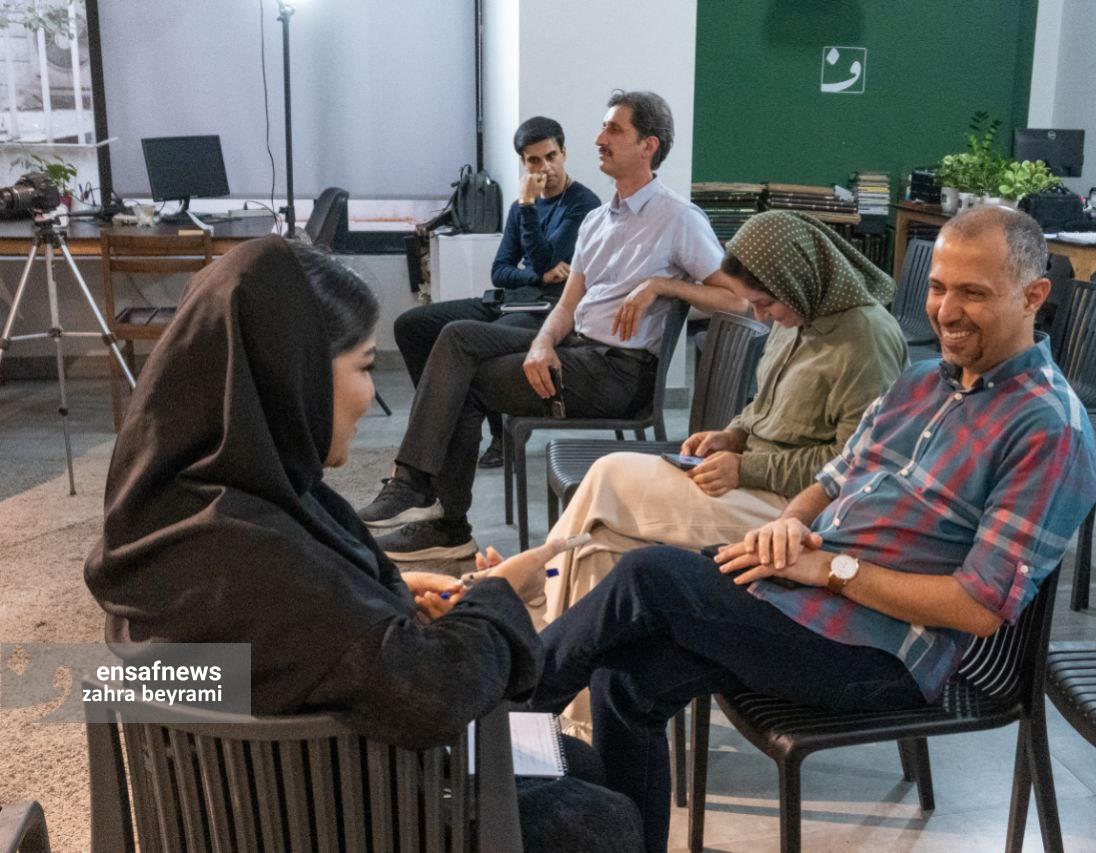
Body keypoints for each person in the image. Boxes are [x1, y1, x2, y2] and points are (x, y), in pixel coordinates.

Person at [526, 206, 1096, 852]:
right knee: (625, 680)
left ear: (1033, 296)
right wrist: (789, 524)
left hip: (882, 653)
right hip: (807, 598)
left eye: (973, 292)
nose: (947, 310)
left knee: (647, 575)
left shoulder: (1048, 428)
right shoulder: (923, 382)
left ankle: (495, 710)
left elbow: (979, 608)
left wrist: (830, 568)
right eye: (939, 287)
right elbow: (832, 478)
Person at [83, 237, 643, 852]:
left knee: (574, 764)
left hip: (234, 814)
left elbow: (295, 636)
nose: (370, 398)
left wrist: (387, 591)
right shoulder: (267, 565)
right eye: (365, 366)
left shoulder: (170, 513)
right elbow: (432, 694)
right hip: (335, 820)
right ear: (293, 376)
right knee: (605, 818)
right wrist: (501, 596)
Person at [358, 90, 748, 562]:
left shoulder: (678, 218)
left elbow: (738, 298)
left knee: (464, 383)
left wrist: (662, 285)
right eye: (603, 127)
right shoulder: (598, 220)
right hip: (577, 348)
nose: (599, 138)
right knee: (455, 336)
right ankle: (417, 489)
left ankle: (444, 519)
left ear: (648, 146)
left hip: (619, 373)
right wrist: (543, 342)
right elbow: (566, 305)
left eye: (614, 129)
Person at [540, 210, 907, 624]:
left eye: (765, 303)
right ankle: (560, 645)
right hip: (754, 482)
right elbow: (764, 406)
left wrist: (745, 468)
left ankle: (535, 611)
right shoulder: (799, 311)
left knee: (609, 477)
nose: (761, 317)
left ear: (798, 279)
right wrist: (732, 435)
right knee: (600, 544)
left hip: (797, 513)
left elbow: (853, 467)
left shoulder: (865, 338)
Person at [389, 116, 601, 480]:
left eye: (551, 156)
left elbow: (546, 259)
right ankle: (445, 417)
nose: (544, 168)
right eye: (534, 160)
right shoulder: (521, 206)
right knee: (411, 325)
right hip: (509, 299)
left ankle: (499, 435)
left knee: (473, 339)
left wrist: (529, 210)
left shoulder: (582, 204)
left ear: (564, 153)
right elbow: (500, 270)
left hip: (548, 310)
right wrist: (535, 275)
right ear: (523, 163)